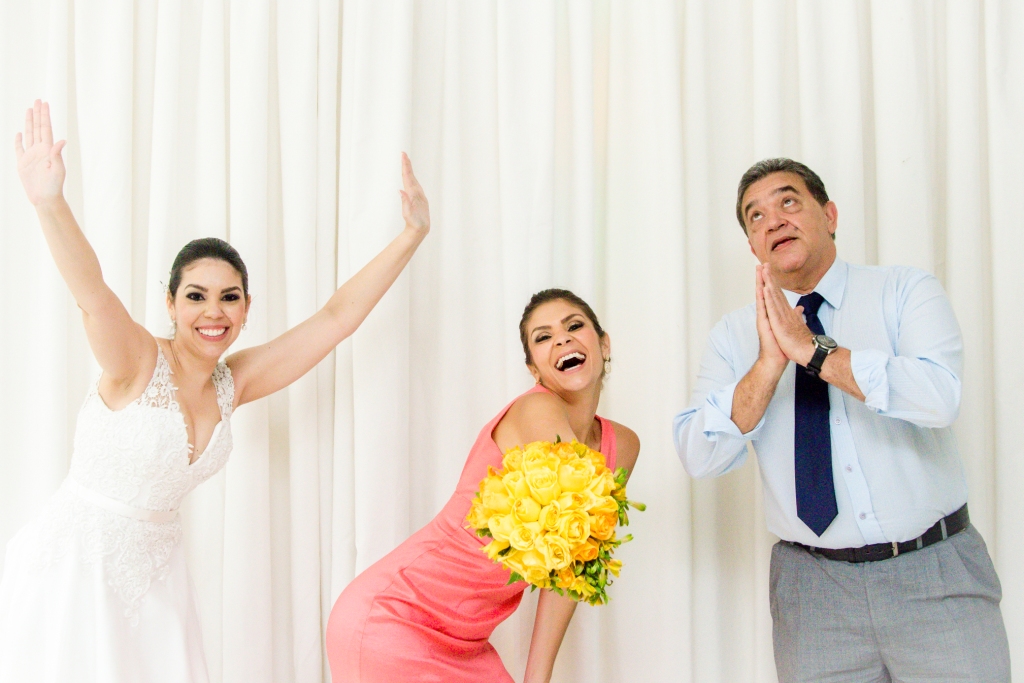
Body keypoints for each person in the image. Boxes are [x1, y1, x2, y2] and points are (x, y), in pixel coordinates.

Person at [0, 100, 430, 683]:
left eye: (230, 297)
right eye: (196, 295)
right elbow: (92, 292)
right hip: (77, 570)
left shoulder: (235, 383)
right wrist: (49, 203)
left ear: (247, 310)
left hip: (157, 582)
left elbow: (334, 319)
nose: (213, 312)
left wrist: (412, 235)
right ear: (172, 304)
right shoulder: (136, 360)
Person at [673, 158, 1011, 682]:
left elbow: (939, 398)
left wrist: (814, 351)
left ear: (829, 214)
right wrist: (768, 365)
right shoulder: (732, 336)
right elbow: (699, 455)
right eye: (755, 216)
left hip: (935, 572)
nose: (774, 220)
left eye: (789, 201)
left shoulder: (904, 291)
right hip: (812, 591)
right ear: (752, 247)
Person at [326, 288, 641, 683]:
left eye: (574, 326)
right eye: (543, 337)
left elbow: (573, 572)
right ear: (535, 370)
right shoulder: (537, 410)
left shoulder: (622, 445)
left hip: (466, 643)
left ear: (604, 343)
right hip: (394, 619)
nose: (561, 339)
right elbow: (572, 554)